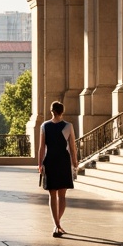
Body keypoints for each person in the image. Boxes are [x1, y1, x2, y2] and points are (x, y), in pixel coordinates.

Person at [39, 101, 78, 237]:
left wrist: (40, 164)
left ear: (51, 111)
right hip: (63, 161)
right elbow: (72, 146)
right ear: (62, 111)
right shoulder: (68, 126)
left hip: (50, 161)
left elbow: (41, 147)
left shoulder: (44, 126)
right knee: (62, 196)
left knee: (52, 195)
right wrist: (75, 161)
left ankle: (57, 224)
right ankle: (57, 224)